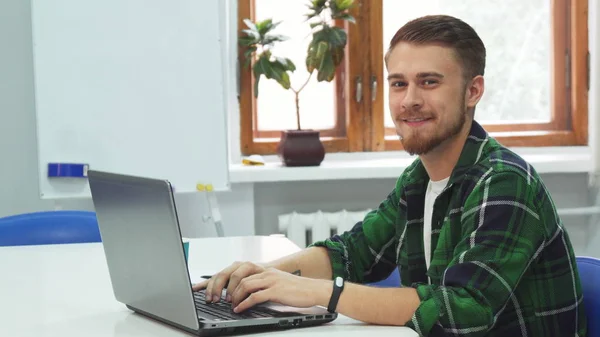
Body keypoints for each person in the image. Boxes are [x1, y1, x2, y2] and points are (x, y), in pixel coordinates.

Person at [193, 15, 587, 336]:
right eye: (399, 84)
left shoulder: (503, 181)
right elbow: (353, 252)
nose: (409, 99)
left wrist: (317, 292)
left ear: (473, 91)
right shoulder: (418, 179)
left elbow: (463, 309)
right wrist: (259, 276)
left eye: (429, 82)